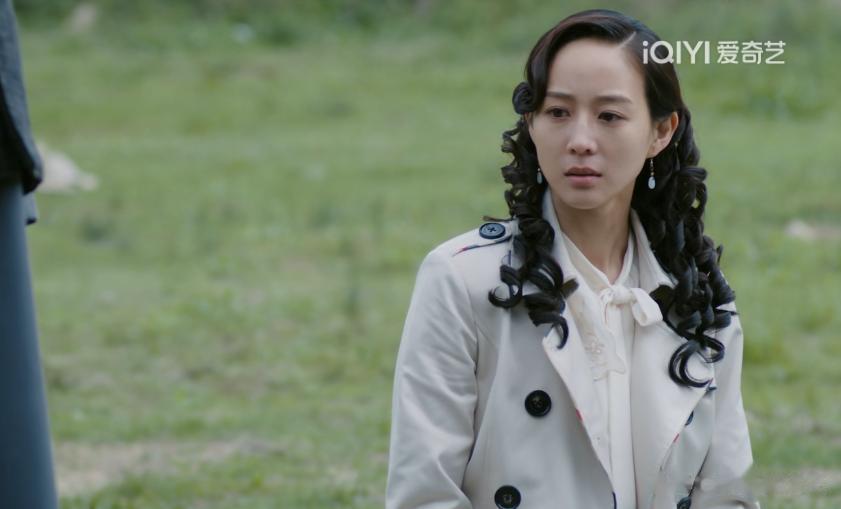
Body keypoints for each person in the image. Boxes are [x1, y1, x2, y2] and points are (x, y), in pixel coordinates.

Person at [385, 9, 758, 509]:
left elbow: (726, 493)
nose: (580, 141)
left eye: (609, 116)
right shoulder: (460, 279)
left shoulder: (699, 295)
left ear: (660, 131)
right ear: (531, 123)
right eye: (558, 112)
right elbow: (424, 495)